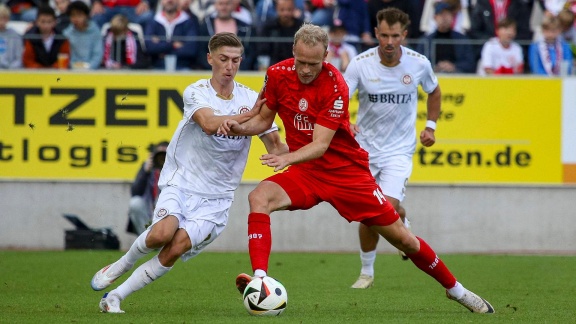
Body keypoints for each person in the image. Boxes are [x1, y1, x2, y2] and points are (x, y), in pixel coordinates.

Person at [217, 22, 494, 314]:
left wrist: (286, 158)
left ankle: (457, 291)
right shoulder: (276, 74)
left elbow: (321, 145)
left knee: (403, 239)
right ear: (292, 53)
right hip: (306, 172)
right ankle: (260, 280)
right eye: (301, 62)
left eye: (314, 63)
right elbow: (263, 120)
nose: (306, 70)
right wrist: (239, 128)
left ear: (326, 56)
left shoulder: (336, 84)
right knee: (258, 198)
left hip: (345, 173)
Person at [90, 32, 288, 314]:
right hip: (182, 181)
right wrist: (249, 116)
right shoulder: (196, 91)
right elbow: (208, 123)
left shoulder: (250, 98)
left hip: (218, 197)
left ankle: (115, 297)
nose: (229, 66)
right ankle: (123, 263)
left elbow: (276, 145)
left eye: (235, 60)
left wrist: (315, 147)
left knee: (176, 246)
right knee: (161, 234)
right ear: (210, 59)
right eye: (223, 59)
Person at [416, 1, 475, 73]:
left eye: (447, 14)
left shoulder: (462, 40)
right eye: (441, 14)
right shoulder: (425, 41)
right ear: (435, 18)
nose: (444, 18)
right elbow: (418, 63)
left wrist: (454, 67)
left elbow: (470, 63)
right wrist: (435, 67)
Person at [197, 0, 254, 70]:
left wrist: (241, 68)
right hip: (211, 70)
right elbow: (201, 50)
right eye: (221, 4)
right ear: (215, 5)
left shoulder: (245, 28)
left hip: (240, 71)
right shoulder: (206, 25)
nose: (224, 7)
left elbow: (250, 51)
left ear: (233, 6)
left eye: (227, 4)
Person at [126, 141, 168, 236]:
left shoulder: (176, 169)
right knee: (135, 202)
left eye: (165, 155)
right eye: (159, 155)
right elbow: (135, 192)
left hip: (167, 213)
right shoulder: (148, 168)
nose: (162, 159)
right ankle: (146, 240)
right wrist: (146, 171)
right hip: (149, 213)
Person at [144, 0, 199, 70]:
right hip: (157, 67)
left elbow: (191, 50)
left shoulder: (188, 21)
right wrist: (173, 45)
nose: (169, 1)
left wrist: (162, 49)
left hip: (183, 67)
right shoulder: (153, 21)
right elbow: (150, 48)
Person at [255, 0, 303, 70]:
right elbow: (263, 51)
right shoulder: (268, 27)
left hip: (296, 67)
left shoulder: (301, 27)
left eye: (289, 9)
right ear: (276, 9)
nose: (285, 13)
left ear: (294, 9)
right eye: (282, 10)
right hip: (273, 67)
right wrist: (263, 69)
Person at [63, 1, 103, 70]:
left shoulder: (95, 32)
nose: (76, 19)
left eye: (79, 15)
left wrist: (88, 68)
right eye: (73, 15)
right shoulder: (66, 33)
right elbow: (66, 55)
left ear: (86, 16)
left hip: (92, 71)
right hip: (71, 71)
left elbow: (97, 55)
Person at [0, 4, 23, 69]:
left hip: (10, 72)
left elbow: (19, 59)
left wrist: (10, 70)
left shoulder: (15, 36)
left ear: (8, 19)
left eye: (4, 18)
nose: (1, 22)